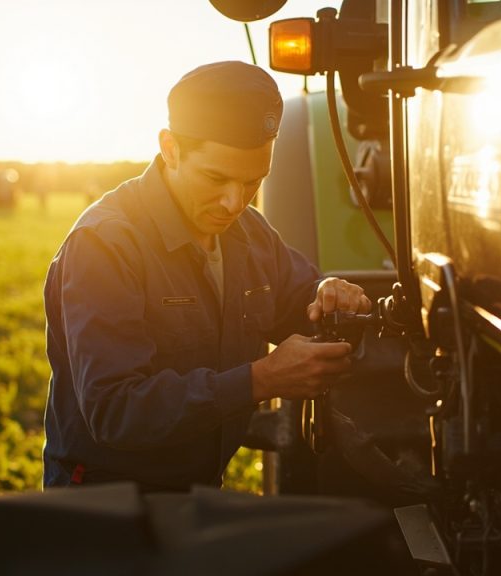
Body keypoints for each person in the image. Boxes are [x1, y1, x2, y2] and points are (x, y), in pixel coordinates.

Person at [42, 61, 372, 493]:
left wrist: (332, 299)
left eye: (253, 181)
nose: (234, 202)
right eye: (216, 178)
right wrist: (260, 380)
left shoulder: (250, 232)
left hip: (199, 493)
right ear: (170, 148)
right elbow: (115, 411)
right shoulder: (105, 245)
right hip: (107, 505)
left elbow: (300, 302)